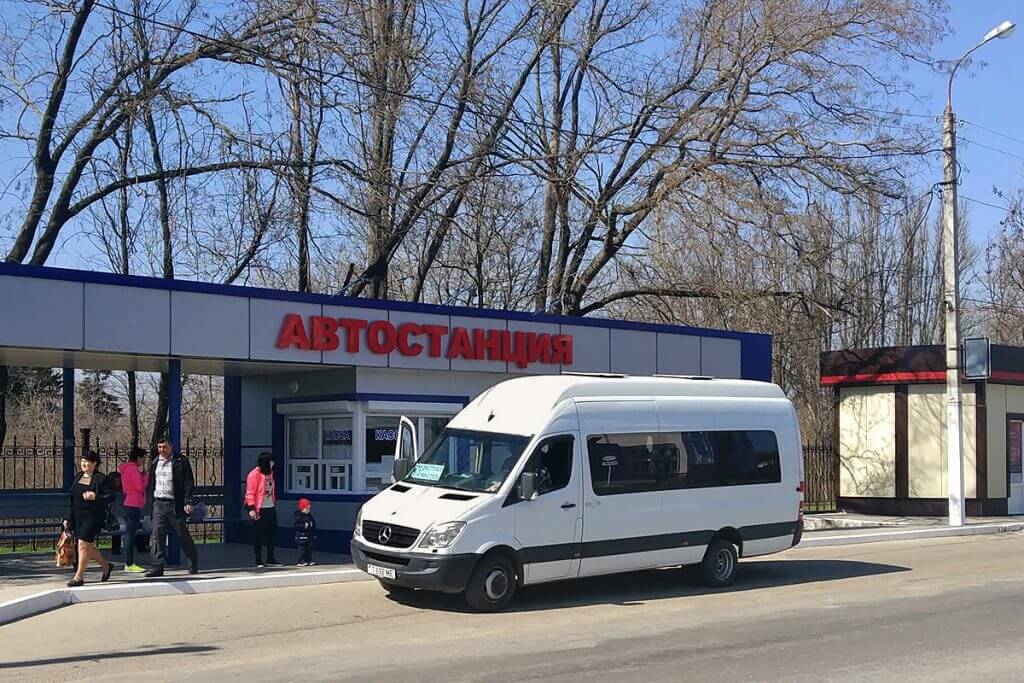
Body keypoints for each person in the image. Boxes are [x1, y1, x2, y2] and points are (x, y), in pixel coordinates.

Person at [144, 437, 199, 577]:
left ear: (171, 447)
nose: (162, 450)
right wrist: (149, 502)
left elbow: (188, 482)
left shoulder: (180, 461)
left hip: (175, 504)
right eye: (160, 447)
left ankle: (192, 561)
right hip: (158, 503)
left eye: (164, 447)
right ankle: (157, 566)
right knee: (157, 535)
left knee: (181, 534)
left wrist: (188, 501)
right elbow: (151, 483)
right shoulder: (156, 461)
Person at [64, 450, 115, 587]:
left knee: (82, 544)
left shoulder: (101, 478)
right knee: (88, 546)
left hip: (93, 517)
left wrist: (95, 497)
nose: (84, 464)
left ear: (95, 463)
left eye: (87, 461)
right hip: (78, 516)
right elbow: (72, 499)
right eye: (82, 461)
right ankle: (106, 566)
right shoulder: (78, 476)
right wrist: (67, 518)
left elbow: (111, 497)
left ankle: (78, 577)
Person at [245, 452, 282, 568]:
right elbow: (249, 493)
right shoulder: (254, 475)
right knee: (258, 535)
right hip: (259, 508)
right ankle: (258, 559)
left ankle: (270, 558)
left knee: (272, 533)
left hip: (270, 506)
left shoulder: (270, 474)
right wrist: (252, 509)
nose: (273, 464)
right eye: (271, 461)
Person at [118, 447, 149, 573]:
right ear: (138, 457)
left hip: (129, 502)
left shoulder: (126, 469)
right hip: (134, 503)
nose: (143, 461)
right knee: (130, 534)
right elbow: (139, 486)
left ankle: (129, 562)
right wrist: (145, 476)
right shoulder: (133, 469)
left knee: (130, 533)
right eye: (142, 458)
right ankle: (129, 563)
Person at [293, 498, 317, 567]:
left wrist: (314, 533)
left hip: (309, 536)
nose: (308, 510)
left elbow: (313, 525)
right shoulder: (298, 516)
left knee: (309, 549)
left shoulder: (310, 516)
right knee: (302, 550)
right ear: (302, 508)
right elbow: (295, 526)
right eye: (306, 509)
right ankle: (300, 561)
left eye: (309, 508)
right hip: (301, 536)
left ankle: (308, 560)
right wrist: (303, 526)